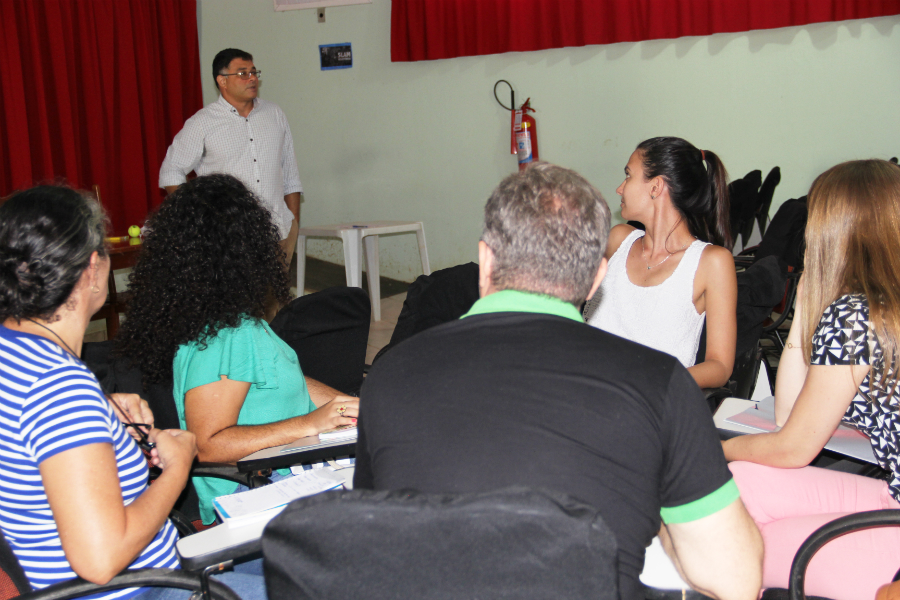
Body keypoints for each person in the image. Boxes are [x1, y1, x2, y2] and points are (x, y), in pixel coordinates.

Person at [354, 162, 762, 600]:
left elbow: (368, 541)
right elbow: (736, 580)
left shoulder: (389, 374)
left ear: (485, 261)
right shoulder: (660, 386)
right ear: (597, 278)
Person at [0, 186, 265, 599]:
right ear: (92, 268)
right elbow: (100, 560)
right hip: (143, 590)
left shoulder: (15, 355)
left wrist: (100, 411)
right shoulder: (58, 387)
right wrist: (177, 468)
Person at [115, 174, 357, 525]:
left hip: (282, 472)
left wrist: (349, 407)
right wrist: (308, 423)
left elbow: (280, 379)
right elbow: (208, 445)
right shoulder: (227, 334)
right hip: (258, 491)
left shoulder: (229, 322)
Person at [723, 159, 900, 600]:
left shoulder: (857, 317)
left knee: (731, 546)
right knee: (741, 483)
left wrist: (710, 449)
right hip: (893, 493)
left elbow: (792, 447)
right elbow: (789, 419)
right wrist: (806, 305)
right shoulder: (875, 308)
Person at [583, 137, 737, 389]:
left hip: (648, 401)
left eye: (628, 176)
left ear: (655, 186)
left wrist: (655, 382)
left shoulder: (711, 262)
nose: (619, 188)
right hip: (587, 387)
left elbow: (720, 366)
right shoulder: (618, 240)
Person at [159, 48, 302, 273]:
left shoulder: (274, 114)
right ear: (222, 81)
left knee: (277, 296)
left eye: (254, 72)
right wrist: (197, 217)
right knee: (238, 297)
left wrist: (294, 223)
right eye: (243, 73)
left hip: (279, 232)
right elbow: (171, 170)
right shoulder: (202, 123)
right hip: (228, 238)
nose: (252, 78)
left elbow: (290, 173)